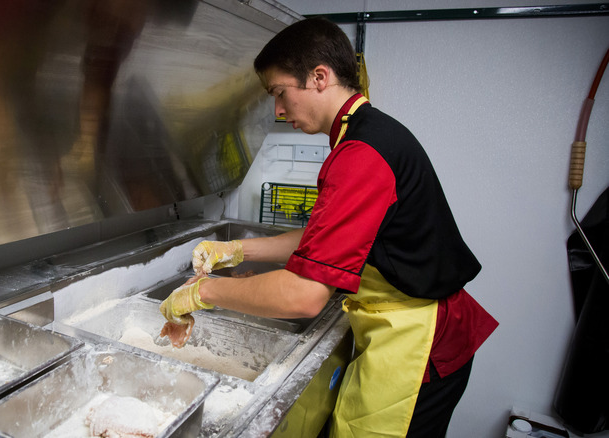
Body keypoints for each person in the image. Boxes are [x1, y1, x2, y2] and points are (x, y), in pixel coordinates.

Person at [160, 16, 498, 438]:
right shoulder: (365, 135)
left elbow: (303, 296)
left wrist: (200, 293)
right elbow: (328, 238)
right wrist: (237, 251)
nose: (278, 111)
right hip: (408, 327)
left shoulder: (360, 154)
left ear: (319, 77)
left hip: (420, 343)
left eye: (280, 93)